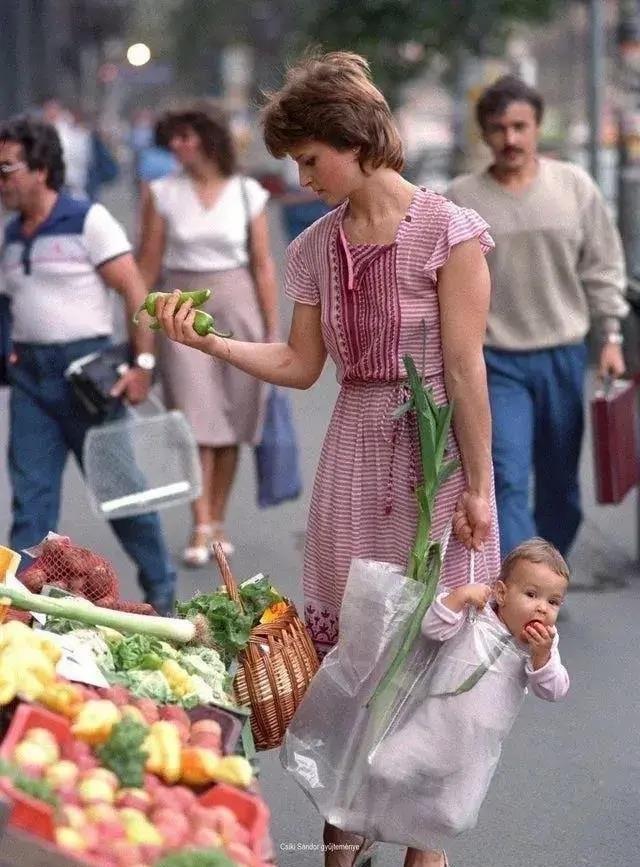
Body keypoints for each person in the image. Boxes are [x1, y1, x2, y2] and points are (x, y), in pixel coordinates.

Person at [153, 51, 501, 867]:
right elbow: (301, 365)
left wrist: (478, 488)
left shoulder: (450, 232)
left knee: (428, 649)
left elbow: (462, 369)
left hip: (435, 453)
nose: (303, 177)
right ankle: (345, 825)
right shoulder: (312, 245)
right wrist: (212, 340)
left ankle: (423, 840)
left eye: (310, 159)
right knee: (349, 656)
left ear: (353, 140)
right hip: (353, 452)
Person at [0, 116, 176, 615]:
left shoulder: (87, 220)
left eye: (7, 167)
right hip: (31, 383)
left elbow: (135, 291)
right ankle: (21, 613)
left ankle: (162, 595)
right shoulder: (12, 235)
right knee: (29, 504)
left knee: (124, 497)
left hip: (88, 381)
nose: (1, 179)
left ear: (41, 168)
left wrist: (142, 364)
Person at [447, 75, 628, 559]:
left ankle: (548, 573)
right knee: (505, 476)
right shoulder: (460, 198)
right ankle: (520, 583)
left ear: (537, 127)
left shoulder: (574, 186)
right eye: (499, 128)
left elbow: (603, 265)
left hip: (563, 355)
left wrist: (611, 336)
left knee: (561, 485)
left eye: (520, 126)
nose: (510, 139)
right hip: (495, 360)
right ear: (484, 134)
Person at [137, 99, 278, 566]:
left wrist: (271, 329)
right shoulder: (160, 192)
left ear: (207, 138)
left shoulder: (246, 192)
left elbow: (262, 264)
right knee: (196, 420)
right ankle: (200, 523)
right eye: (172, 137)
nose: (177, 145)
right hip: (181, 306)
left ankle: (217, 517)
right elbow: (147, 265)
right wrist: (140, 327)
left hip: (237, 302)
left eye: (185, 136)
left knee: (234, 420)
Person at [365, 538, 569, 849]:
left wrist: (541, 658)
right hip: (431, 727)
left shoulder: (541, 647)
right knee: (383, 768)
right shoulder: (477, 616)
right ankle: (374, 828)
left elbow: (554, 690)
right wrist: (458, 598)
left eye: (554, 602)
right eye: (531, 595)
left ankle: (419, 826)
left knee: (456, 818)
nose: (543, 608)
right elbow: (432, 628)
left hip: (475, 752)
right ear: (501, 593)